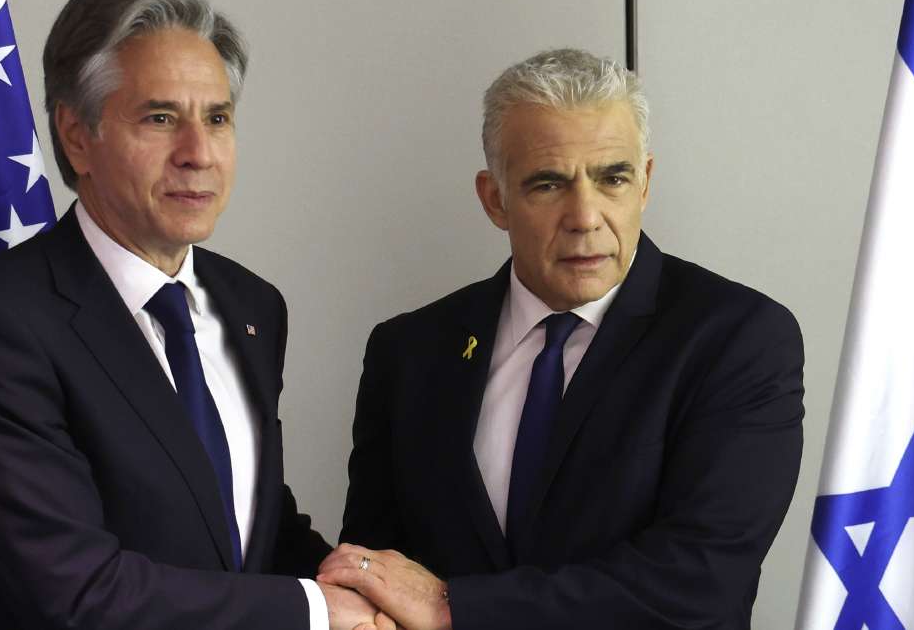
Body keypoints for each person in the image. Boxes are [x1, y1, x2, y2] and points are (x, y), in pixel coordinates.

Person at [0, 0, 377, 629]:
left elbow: (241, 516)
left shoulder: (253, 306)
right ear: (77, 136)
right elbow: (73, 590)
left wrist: (368, 586)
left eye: (216, 118)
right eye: (160, 118)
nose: (198, 153)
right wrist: (316, 610)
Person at [318, 49, 805, 629]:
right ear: (494, 199)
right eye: (549, 184)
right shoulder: (409, 351)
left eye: (612, 179)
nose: (585, 217)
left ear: (645, 183)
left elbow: (700, 579)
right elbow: (376, 570)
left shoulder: (738, 339)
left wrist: (454, 607)